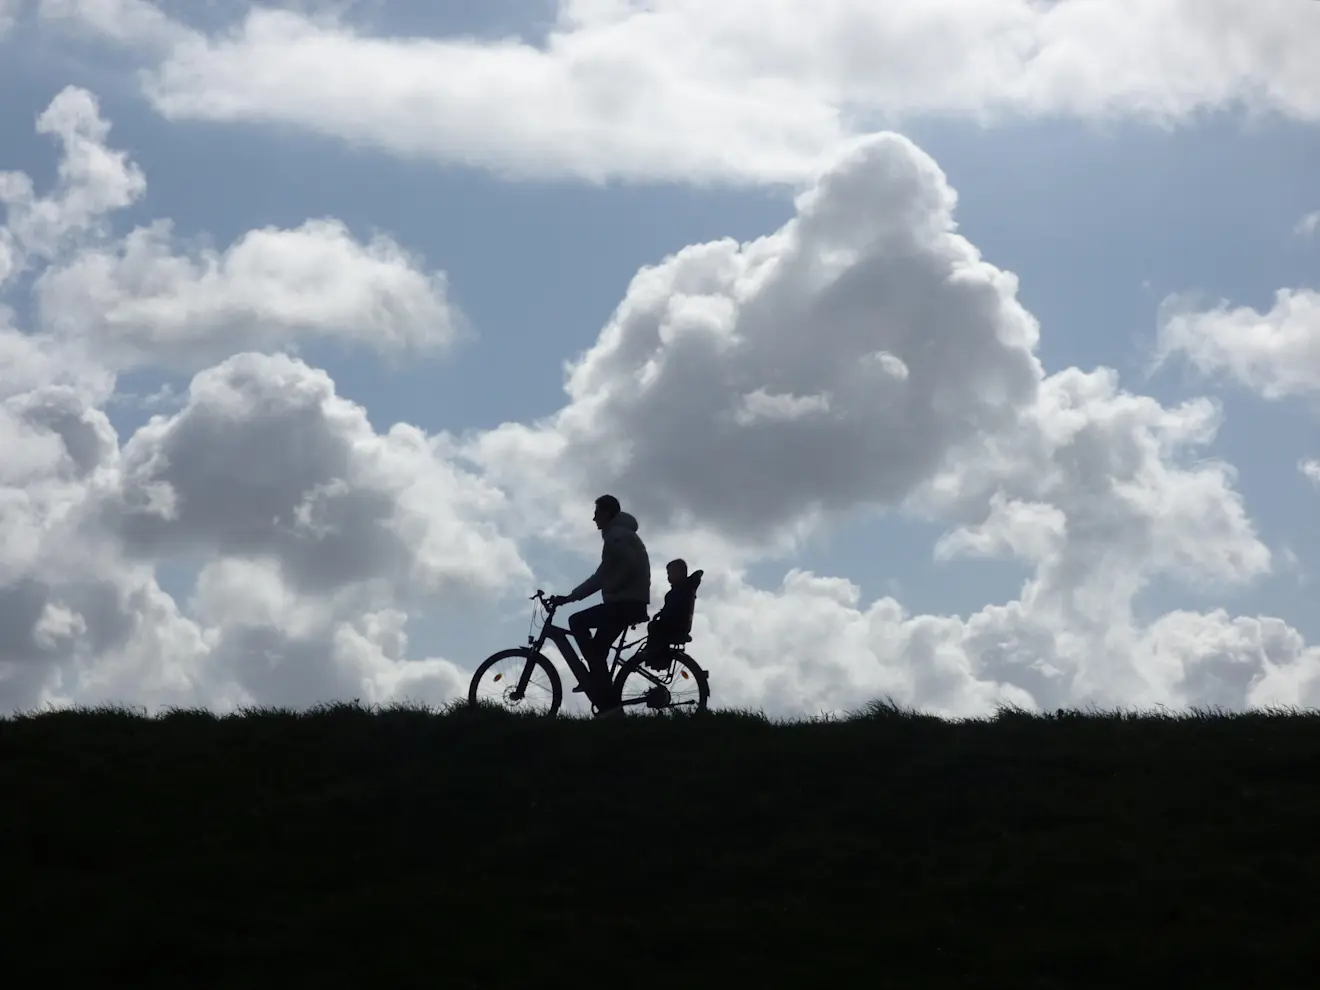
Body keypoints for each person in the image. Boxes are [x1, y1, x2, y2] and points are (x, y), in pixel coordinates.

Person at [549, 494, 650, 707]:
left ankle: (605, 697)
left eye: (596, 514)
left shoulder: (616, 536)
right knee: (595, 649)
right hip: (628, 602)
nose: (594, 519)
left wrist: (611, 585)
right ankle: (600, 686)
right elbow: (603, 575)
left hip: (624, 603)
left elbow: (612, 572)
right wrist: (571, 597)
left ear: (606, 513)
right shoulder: (619, 534)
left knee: (578, 623)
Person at [637, 559, 703, 670]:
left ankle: (651, 655)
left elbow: (674, 608)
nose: (669, 577)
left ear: (680, 573)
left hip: (674, 625)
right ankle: (654, 655)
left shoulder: (681, 590)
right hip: (678, 624)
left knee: (654, 627)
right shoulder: (684, 588)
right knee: (655, 628)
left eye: (671, 573)